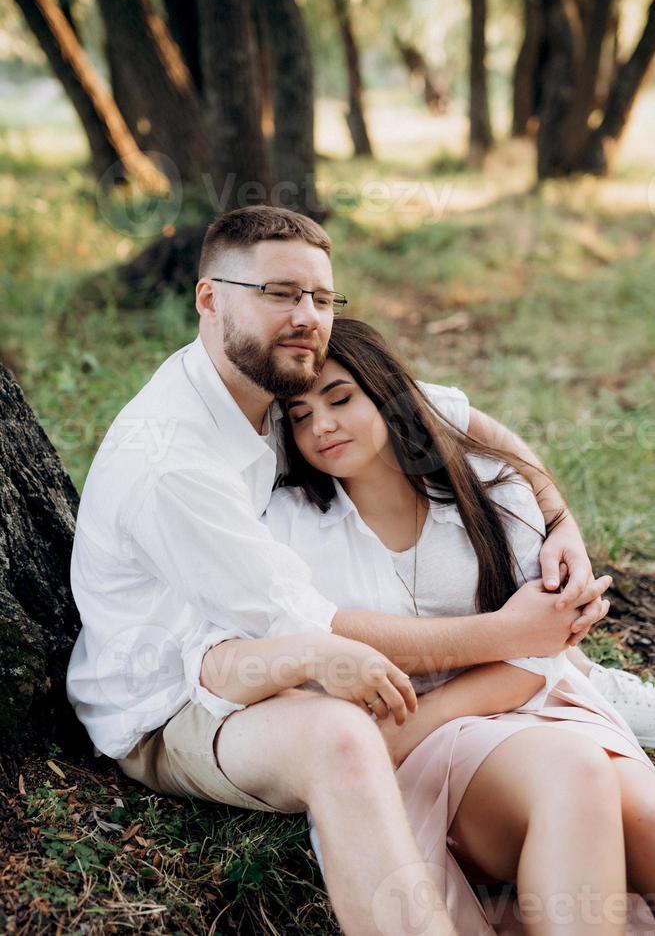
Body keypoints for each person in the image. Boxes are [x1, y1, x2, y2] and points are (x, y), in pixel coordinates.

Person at [66, 206, 651, 936]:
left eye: (319, 297)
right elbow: (311, 631)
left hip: (272, 653)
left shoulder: (272, 396)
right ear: (208, 298)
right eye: (278, 293)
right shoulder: (176, 463)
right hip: (173, 696)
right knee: (341, 735)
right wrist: (510, 635)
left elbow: (448, 416)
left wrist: (559, 519)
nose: (305, 316)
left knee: (619, 805)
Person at [232, 316, 654, 934]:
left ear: (388, 396)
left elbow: (543, 647)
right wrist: (417, 727)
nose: (320, 426)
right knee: (575, 769)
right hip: (424, 754)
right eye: (298, 415)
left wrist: (432, 712)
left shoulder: (486, 489)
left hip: (537, 704)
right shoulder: (291, 529)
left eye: (340, 399)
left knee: (641, 811)